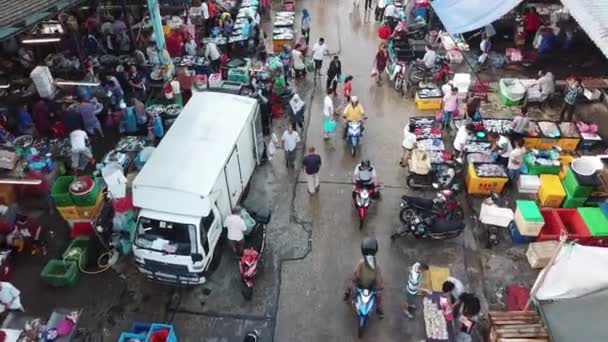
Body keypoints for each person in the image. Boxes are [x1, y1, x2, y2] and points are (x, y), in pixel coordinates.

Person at [344, 237, 384, 318]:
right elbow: (356, 273)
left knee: (379, 295)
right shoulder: (364, 264)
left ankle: (378, 308)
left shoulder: (372, 265)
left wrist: (379, 286)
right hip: (362, 284)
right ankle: (347, 294)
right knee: (350, 286)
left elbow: (379, 279)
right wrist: (354, 279)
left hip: (370, 286)